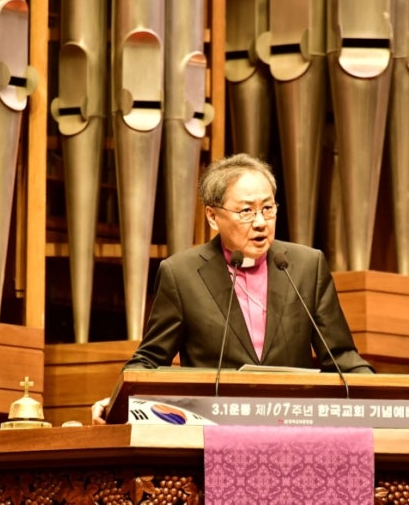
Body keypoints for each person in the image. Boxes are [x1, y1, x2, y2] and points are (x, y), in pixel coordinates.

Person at [92, 153, 373, 423]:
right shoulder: (181, 275)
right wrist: (117, 401)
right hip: (213, 428)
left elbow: (341, 357)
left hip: (293, 424)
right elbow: (149, 360)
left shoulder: (306, 266)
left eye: (268, 208)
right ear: (213, 216)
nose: (261, 222)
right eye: (246, 211)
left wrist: (385, 397)